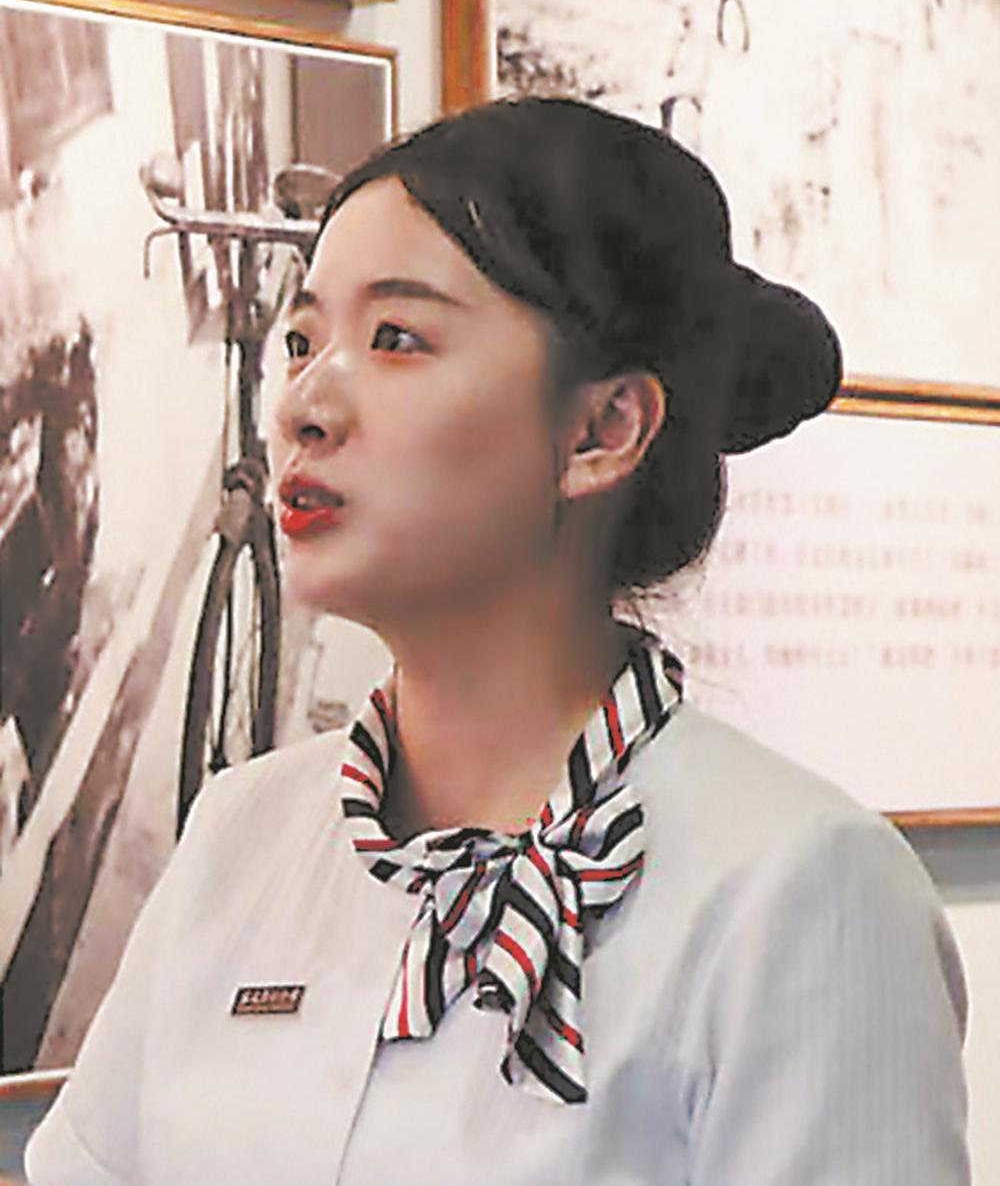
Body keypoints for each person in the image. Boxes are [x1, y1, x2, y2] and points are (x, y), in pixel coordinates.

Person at [26, 97, 969, 1185]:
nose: (300, 407)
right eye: (301, 340)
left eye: (395, 338)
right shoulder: (242, 831)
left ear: (602, 429)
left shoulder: (800, 888)